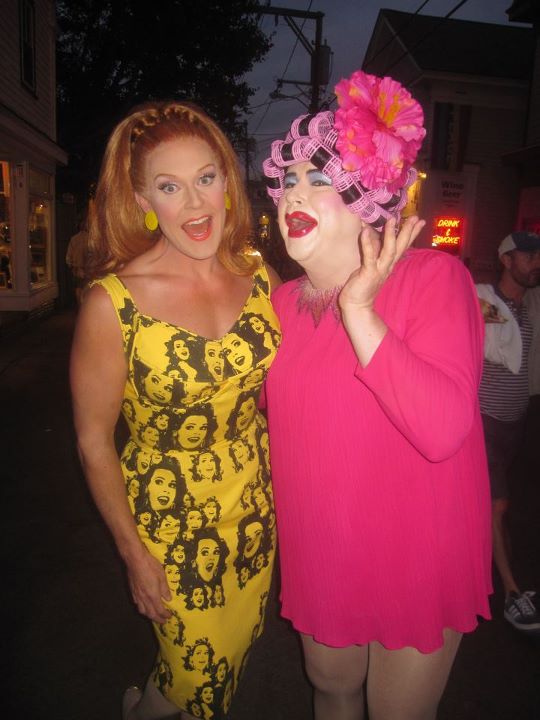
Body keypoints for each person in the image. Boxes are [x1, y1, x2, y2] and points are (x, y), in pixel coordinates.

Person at [262, 69, 492, 720]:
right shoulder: (277, 305)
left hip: (414, 548)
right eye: (288, 181)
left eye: (319, 178)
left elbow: (441, 429)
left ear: (367, 197)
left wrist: (360, 309)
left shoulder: (433, 279)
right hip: (322, 545)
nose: (293, 193)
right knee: (331, 688)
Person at [69, 100, 280, 719]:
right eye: (169, 186)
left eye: (206, 178)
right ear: (142, 200)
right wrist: (133, 553)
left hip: (254, 504)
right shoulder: (113, 305)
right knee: (197, 671)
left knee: (231, 650)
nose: (194, 204)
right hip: (168, 519)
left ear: (227, 182)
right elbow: (92, 440)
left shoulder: (260, 277)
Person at [476, 231, 540, 633]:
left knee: (499, 505)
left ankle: (487, 570)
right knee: (496, 505)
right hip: (483, 420)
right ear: (506, 260)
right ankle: (512, 595)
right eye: (528, 256)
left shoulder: (530, 305)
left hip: (516, 422)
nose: (536, 263)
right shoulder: (481, 300)